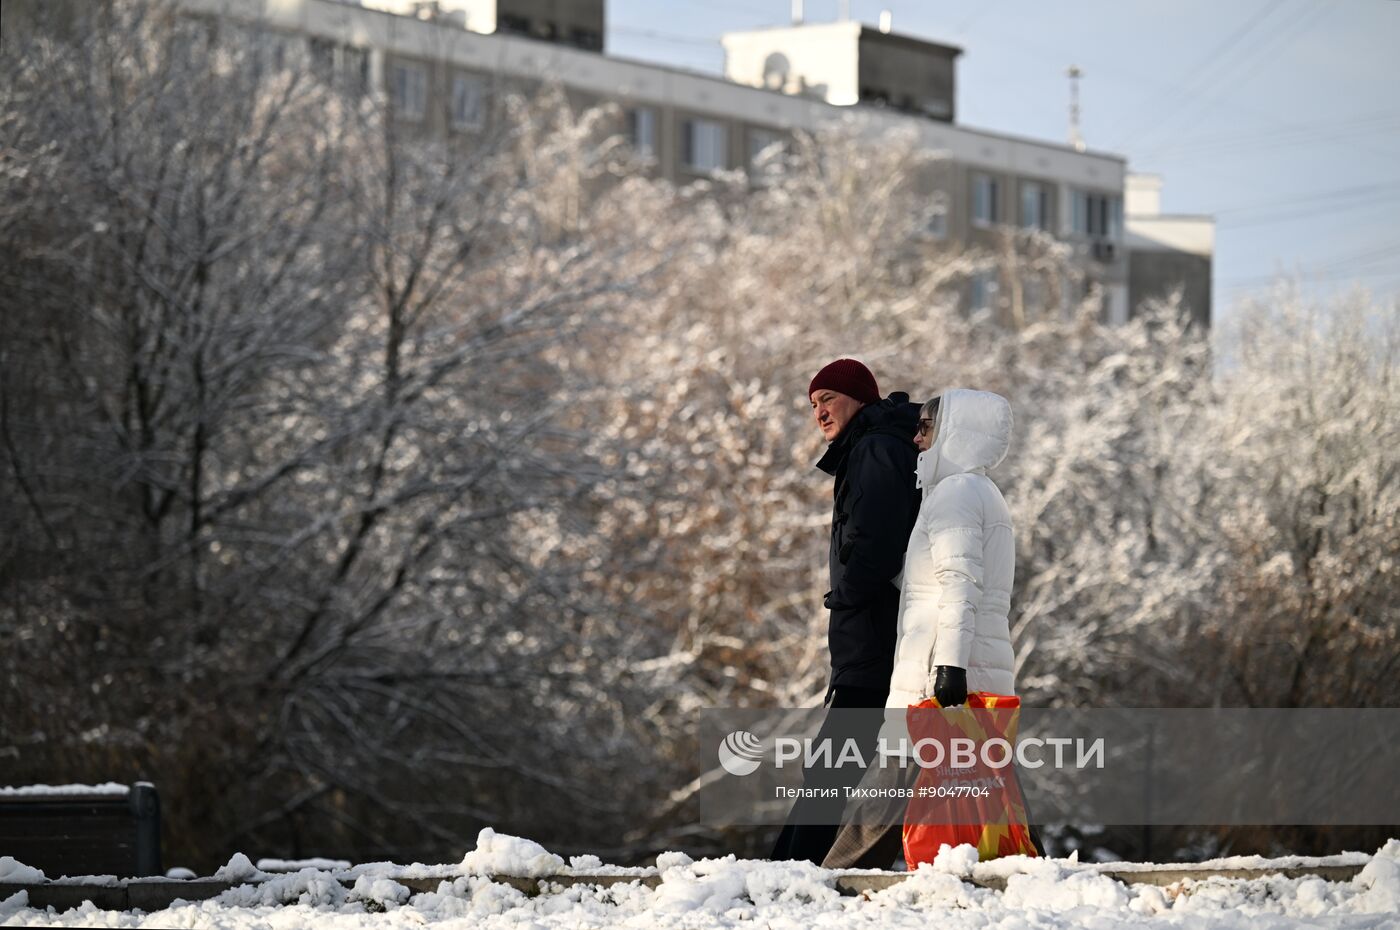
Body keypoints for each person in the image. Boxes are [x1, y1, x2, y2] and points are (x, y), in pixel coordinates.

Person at [822, 389, 1020, 869]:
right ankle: (1017, 876)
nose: (916, 439)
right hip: (972, 668)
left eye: (927, 428)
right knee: (982, 791)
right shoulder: (980, 493)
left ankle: (829, 885)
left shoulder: (955, 495)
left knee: (886, 795)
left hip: (938, 675)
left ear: (957, 433)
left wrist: (949, 666)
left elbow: (959, 584)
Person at [769, 358, 921, 864]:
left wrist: (846, 595)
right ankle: (794, 866)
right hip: (875, 633)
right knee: (844, 765)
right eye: (813, 403)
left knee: (834, 765)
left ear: (859, 397)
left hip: (875, 635)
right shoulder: (873, 446)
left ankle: (790, 869)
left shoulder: (875, 448)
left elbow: (877, 542)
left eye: (828, 398)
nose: (819, 412)